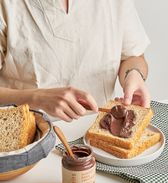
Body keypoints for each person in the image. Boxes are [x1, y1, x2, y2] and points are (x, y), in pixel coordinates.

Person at [0, 0, 151, 122]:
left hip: (97, 129)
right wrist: (37, 98)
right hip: (26, 137)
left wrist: (133, 75)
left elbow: (133, 56)